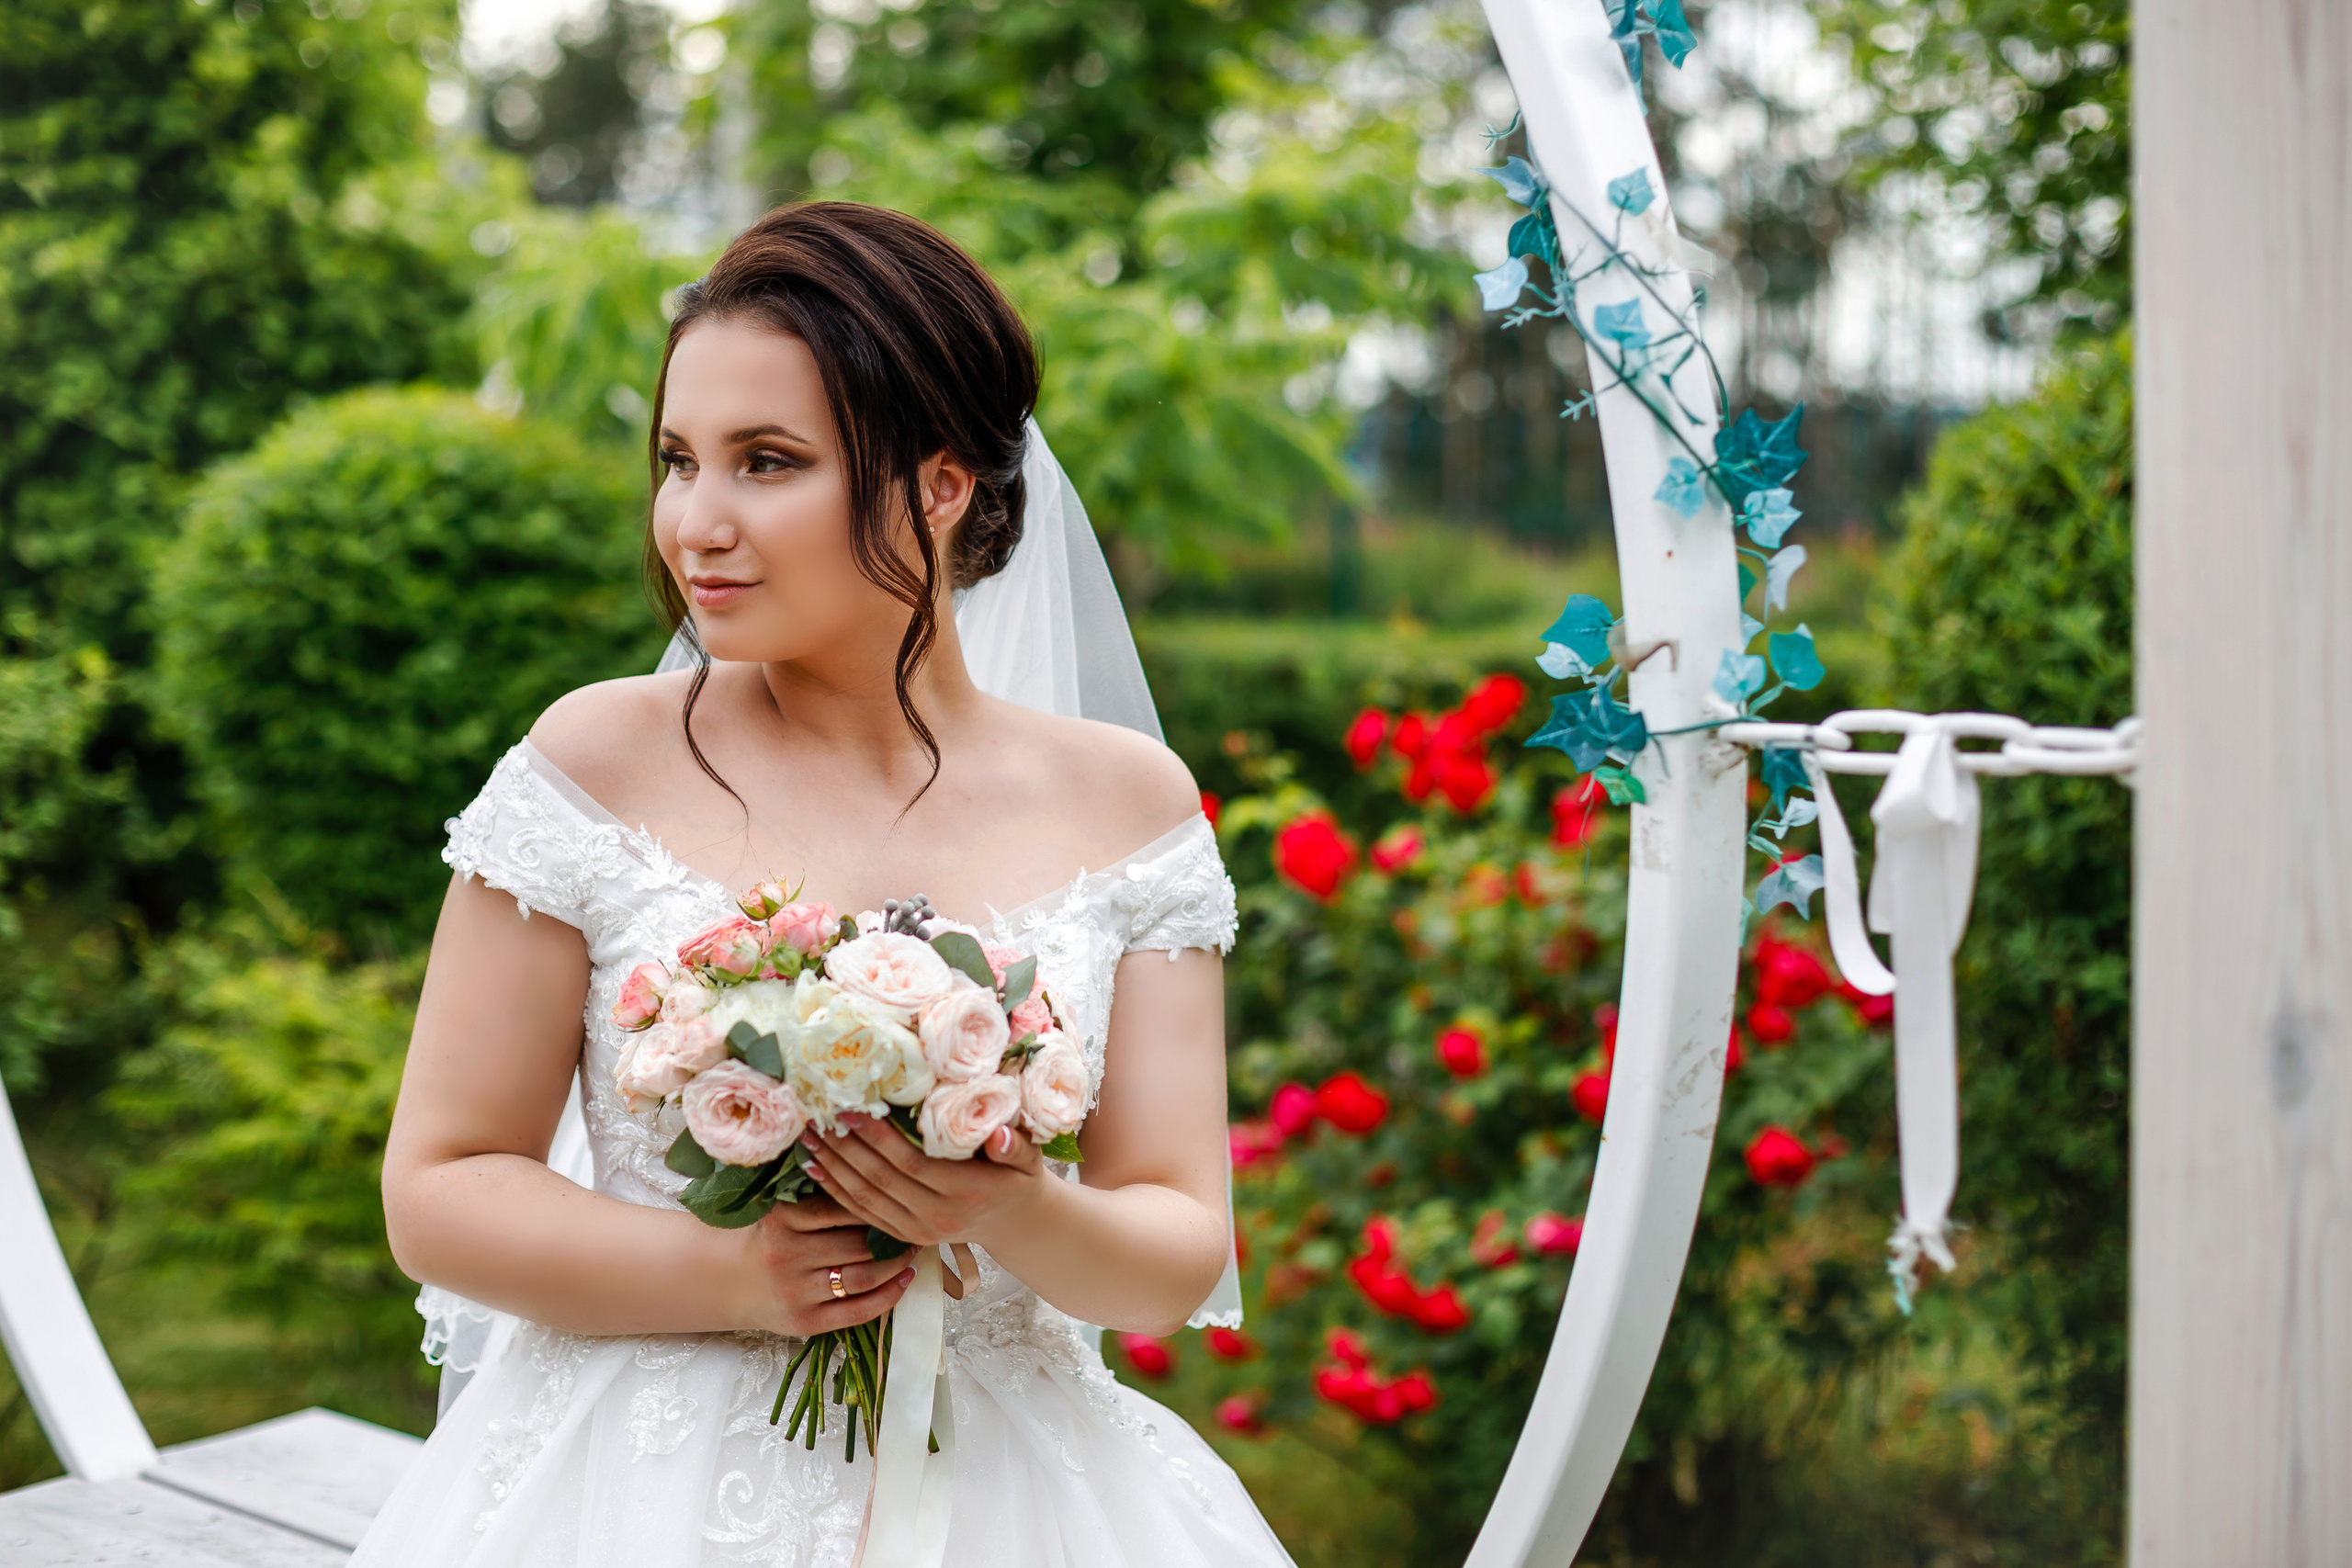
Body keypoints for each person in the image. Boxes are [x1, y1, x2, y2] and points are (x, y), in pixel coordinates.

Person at [354, 201, 1295, 1567]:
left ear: (943, 484)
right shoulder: (593, 761)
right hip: (627, 1489)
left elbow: (1176, 1244)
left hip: (1011, 1488)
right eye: (679, 461)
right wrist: (735, 1274)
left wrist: (1013, 1207)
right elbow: (438, 1188)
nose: (697, 522)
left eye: (767, 462)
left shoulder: (1128, 805)